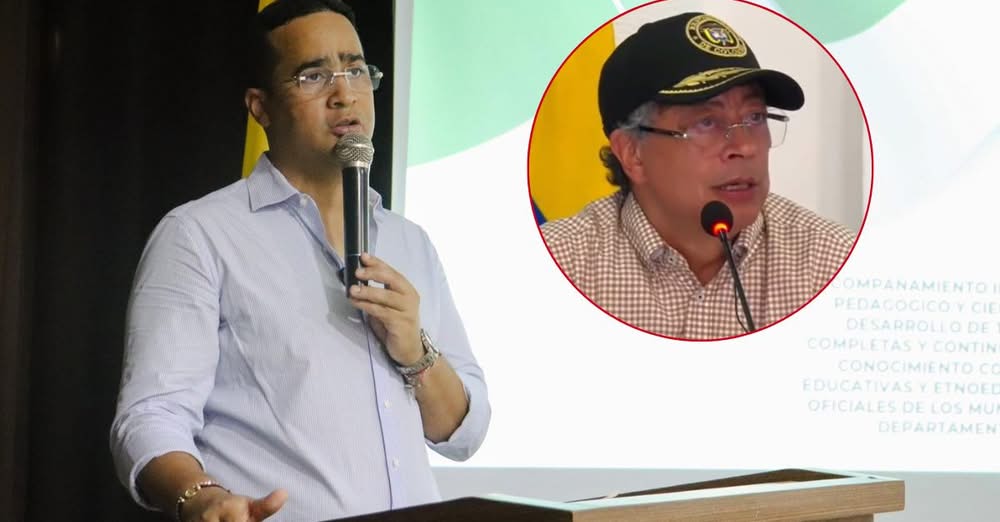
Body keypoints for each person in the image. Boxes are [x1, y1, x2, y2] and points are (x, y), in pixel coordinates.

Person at [109, 1, 490, 521]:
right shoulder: (200, 236)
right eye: (313, 76)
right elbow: (151, 416)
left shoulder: (410, 242)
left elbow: (463, 433)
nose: (345, 94)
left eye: (356, 70)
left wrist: (417, 352)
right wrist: (201, 497)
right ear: (260, 107)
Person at [540, 12, 856, 340]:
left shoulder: (832, 262)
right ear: (633, 153)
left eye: (755, 117)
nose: (746, 146)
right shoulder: (557, 266)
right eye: (706, 123)